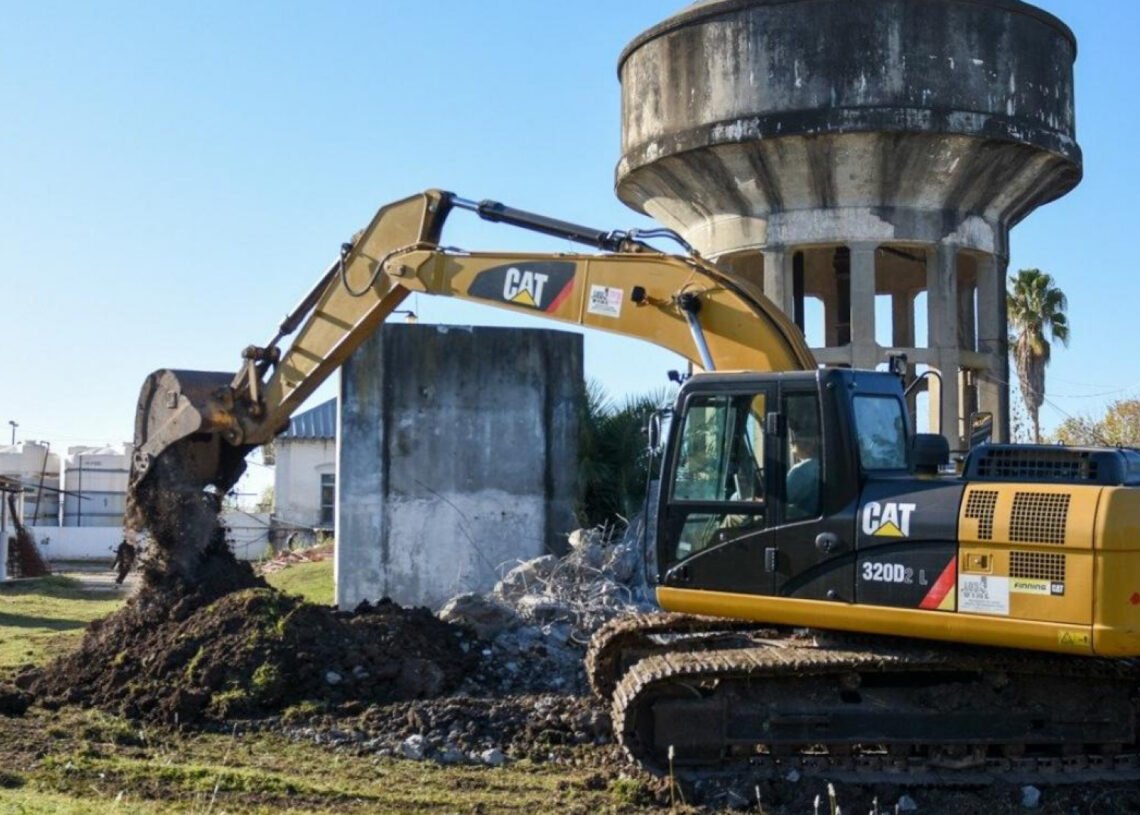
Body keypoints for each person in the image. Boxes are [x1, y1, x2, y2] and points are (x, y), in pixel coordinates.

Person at [786, 431, 821, 520]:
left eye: (795, 442)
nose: (792, 444)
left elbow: (781, 499)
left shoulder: (800, 470)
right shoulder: (822, 466)